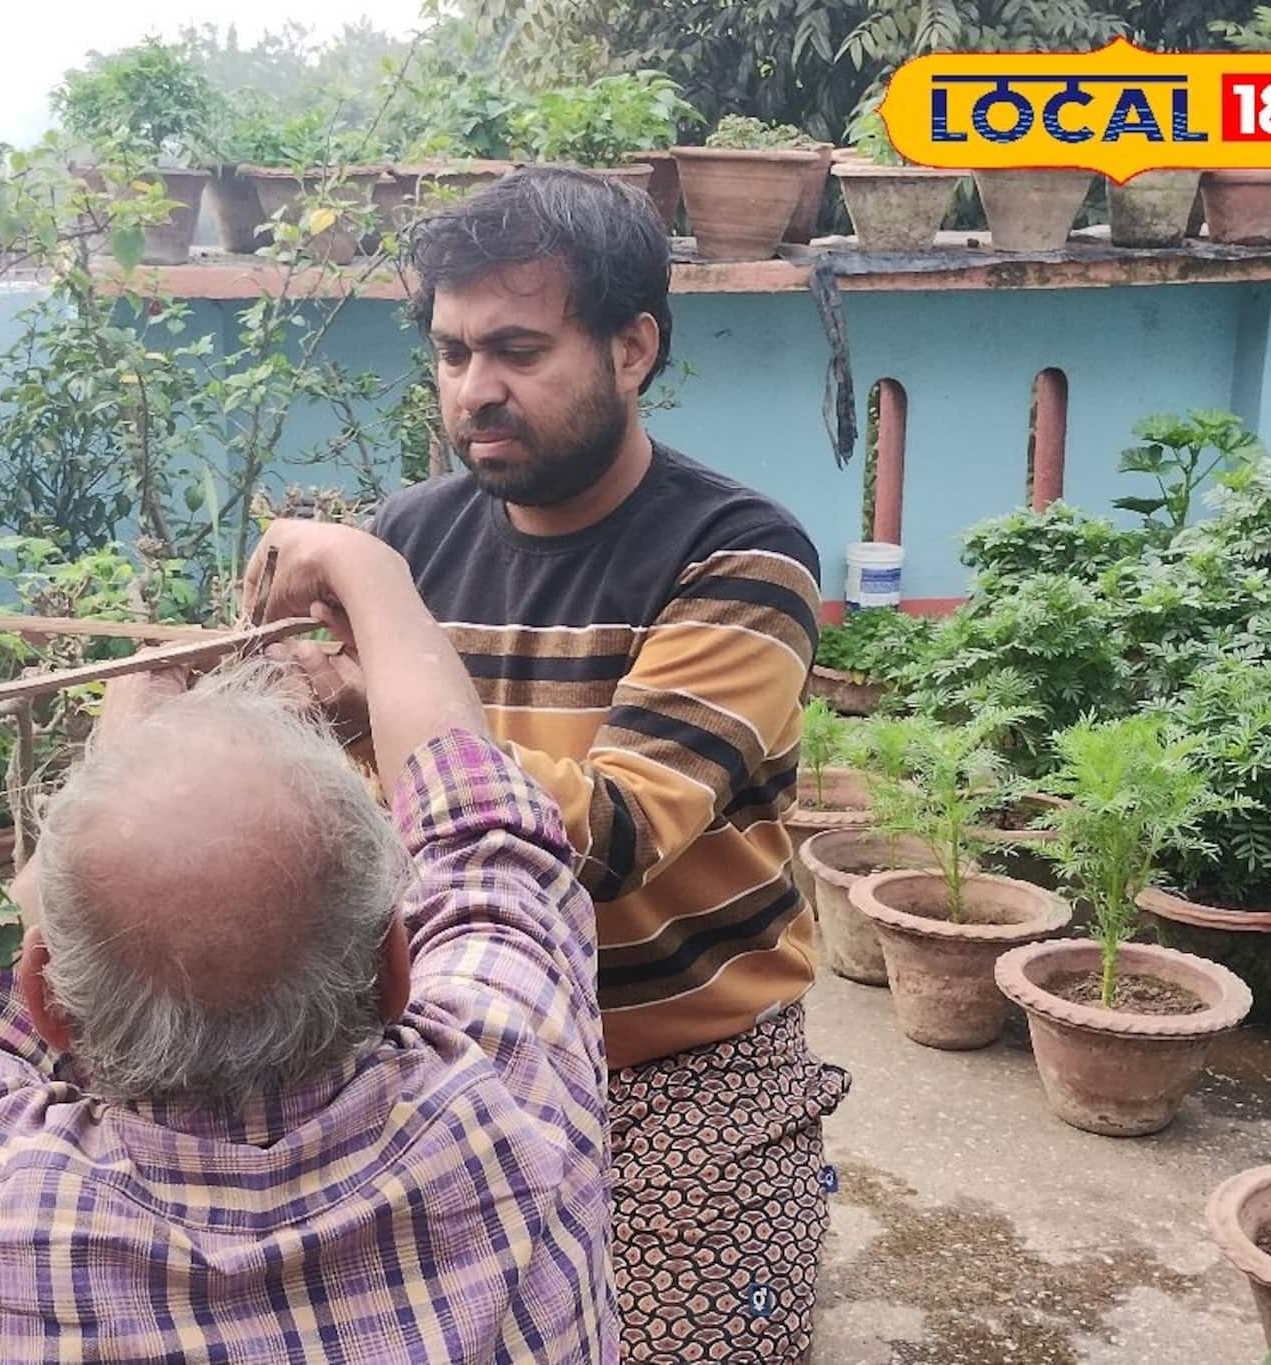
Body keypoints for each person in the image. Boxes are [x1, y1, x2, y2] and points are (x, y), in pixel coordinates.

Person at [264, 166, 850, 1362]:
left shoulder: (736, 554)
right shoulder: (415, 536)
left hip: (679, 1076)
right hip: (447, 1045)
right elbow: (355, 796)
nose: (473, 391)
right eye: (450, 353)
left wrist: (376, 666)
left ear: (631, 348)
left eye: (517, 350)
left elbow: (622, 832)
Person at [0, 523, 618, 1363]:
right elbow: (487, 836)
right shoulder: (511, 1107)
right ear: (394, 966)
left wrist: (124, 750)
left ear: (52, 1003)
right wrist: (369, 568)